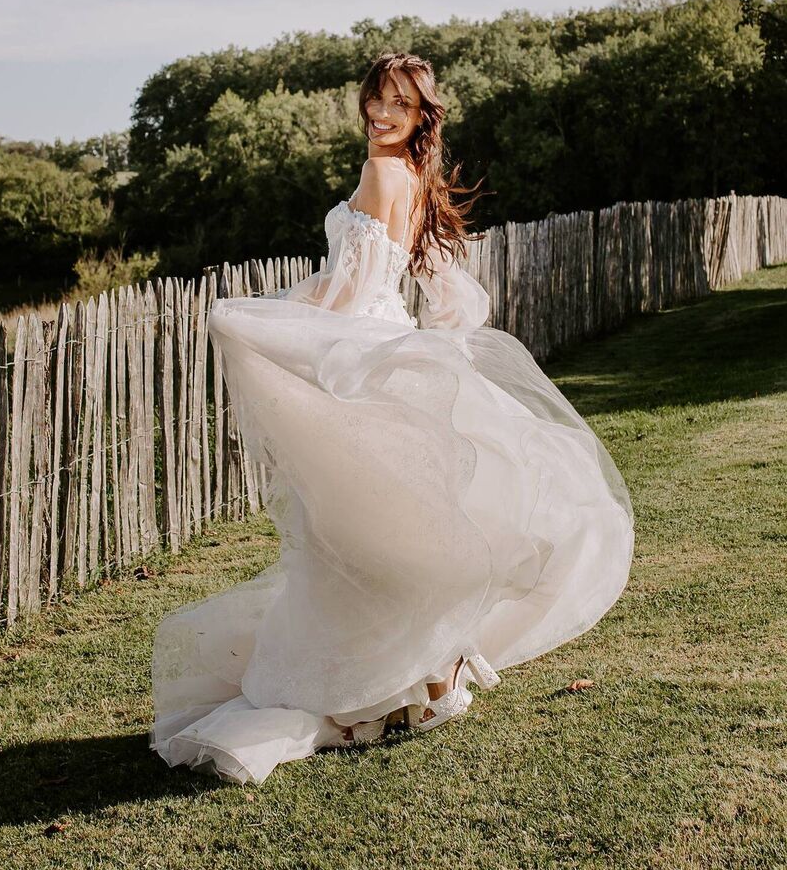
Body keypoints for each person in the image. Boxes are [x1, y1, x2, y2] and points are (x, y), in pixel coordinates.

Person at [149, 51, 635, 784]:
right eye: (375, 98)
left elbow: (349, 291)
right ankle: (416, 679)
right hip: (385, 347)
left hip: (358, 357)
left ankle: (381, 683)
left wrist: (273, 318)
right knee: (383, 527)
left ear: (421, 115)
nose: (380, 113)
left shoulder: (383, 174)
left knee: (353, 529)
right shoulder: (412, 177)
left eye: (398, 105)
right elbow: (424, 292)